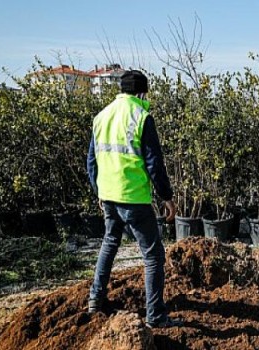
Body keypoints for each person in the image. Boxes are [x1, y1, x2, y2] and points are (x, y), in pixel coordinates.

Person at [87, 70, 182, 328]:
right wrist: (167, 198)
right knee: (153, 257)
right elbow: (154, 163)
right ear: (142, 92)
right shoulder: (141, 117)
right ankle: (156, 316)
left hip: (109, 195)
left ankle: (95, 299)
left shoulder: (101, 117)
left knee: (109, 243)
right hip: (134, 198)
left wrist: (99, 191)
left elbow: (91, 161)